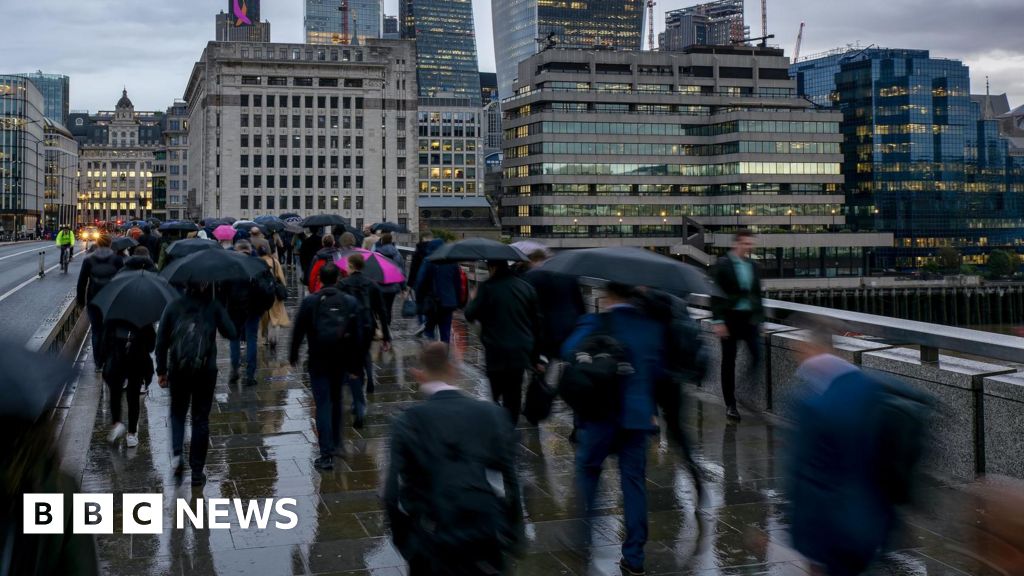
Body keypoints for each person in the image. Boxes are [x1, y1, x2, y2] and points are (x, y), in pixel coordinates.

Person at [384, 342, 523, 576]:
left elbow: (391, 492)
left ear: (419, 374)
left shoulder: (408, 421)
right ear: (453, 369)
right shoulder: (491, 414)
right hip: (484, 535)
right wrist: (511, 533)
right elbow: (509, 478)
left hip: (433, 539)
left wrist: (407, 544)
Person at [561, 282, 668, 576]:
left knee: (588, 471)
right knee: (633, 484)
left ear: (608, 295)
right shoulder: (649, 327)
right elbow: (659, 371)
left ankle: (582, 539)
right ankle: (634, 556)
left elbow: (568, 351)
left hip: (599, 416)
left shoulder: (595, 322)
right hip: (636, 417)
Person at [786, 321, 895, 576]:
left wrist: (804, 541)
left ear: (811, 350)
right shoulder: (870, 387)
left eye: (800, 351)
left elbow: (803, 475)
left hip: (832, 528)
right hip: (871, 520)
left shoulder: (811, 403)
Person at [155, 282, 236, 486]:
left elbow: (161, 341)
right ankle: (197, 471)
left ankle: (177, 454)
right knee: (200, 419)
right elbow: (231, 332)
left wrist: (161, 370)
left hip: (178, 370)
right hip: (206, 371)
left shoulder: (173, 306)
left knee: (177, 413)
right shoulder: (213, 306)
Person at [290, 263, 363, 470]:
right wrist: (356, 366)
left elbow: (298, 330)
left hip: (318, 359)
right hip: (341, 359)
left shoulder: (310, 301)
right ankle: (338, 443)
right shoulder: (349, 301)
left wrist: (293, 354)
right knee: (337, 400)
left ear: (319, 279)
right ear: (338, 278)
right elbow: (358, 336)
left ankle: (326, 454)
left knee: (322, 404)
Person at [464, 260, 541, 424]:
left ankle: (499, 420)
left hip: (496, 349)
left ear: (492, 268)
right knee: (514, 391)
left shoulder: (487, 288)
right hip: (520, 349)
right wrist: (536, 358)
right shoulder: (526, 287)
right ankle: (511, 425)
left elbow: (470, 314)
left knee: (496, 390)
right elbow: (537, 324)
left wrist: (474, 298)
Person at [711, 229, 763, 421]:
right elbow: (715, 294)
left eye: (751, 244)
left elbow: (757, 294)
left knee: (757, 356)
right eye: (746, 244)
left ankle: (743, 391)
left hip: (749, 319)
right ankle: (730, 405)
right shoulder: (723, 264)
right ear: (736, 243)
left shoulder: (753, 265)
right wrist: (718, 321)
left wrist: (761, 320)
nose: (749, 247)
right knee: (728, 362)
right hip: (729, 319)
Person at [340, 253, 392, 416]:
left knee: (351, 360)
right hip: (367, 325)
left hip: (349, 327)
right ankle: (369, 376)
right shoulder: (372, 284)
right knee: (365, 353)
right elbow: (382, 311)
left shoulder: (343, 284)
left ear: (351, 266)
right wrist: (386, 335)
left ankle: (357, 399)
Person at [522, 249, 585, 363]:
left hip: (546, 329)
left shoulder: (531, 276)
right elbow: (579, 302)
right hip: (570, 324)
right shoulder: (568, 274)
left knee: (548, 361)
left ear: (532, 261)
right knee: (568, 358)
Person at [102, 319, 155, 447]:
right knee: (133, 396)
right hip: (137, 360)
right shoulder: (142, 318)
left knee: (115, 392)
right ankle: (131, 433)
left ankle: (117, 422)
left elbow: (105, 341)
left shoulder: (114, 317)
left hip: (117, 360)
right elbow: (151, 345)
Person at [76, 234, 124, 371]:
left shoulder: (89, 259)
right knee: (110, 330)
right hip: (112, 300)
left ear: (97, 243)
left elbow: (82, 282)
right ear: (110, 244)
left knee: (96, 331)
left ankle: (98, 363)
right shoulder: (117, 259)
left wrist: (81, 302)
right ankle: (109, 358)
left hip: (94, 299)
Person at [223, 240, 267, 386]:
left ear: (236, 250)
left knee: (234, 339)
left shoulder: (231, 265)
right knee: (252, 339)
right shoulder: (257, 263)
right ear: (249, 249)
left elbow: (224, 288)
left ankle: (235, 369)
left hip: (234, 308)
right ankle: (250, 374)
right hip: (253, 308)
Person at [414, 238, 461, 344]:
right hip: (448, 303)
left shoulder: (428, 261)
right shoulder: (452, 262)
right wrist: (457, 302)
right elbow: (457, 284)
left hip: (432, 302)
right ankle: (444, 350)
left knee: (429, 330)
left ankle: (433, 349)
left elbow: (420, 282)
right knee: (445, 332)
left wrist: (419, 300)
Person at [258, 244, 290, 348]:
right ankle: (273, 338)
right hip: (274, 291)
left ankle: (264, 338)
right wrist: (283, 288)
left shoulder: (256, 262)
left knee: (263, 316)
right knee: (275, 317)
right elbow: (281, 278)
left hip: (261, 292)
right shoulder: (275, 261)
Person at [374, 232, 405, 328]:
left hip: (379, 284)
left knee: (380, 306)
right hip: (392, 285)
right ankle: (387, 325)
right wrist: (403, 287)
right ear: (391, 241)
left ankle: (382, 325)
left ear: (382, 241)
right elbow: (401, 271)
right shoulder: (397, 254)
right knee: (389, 307)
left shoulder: (377, 253)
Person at [408, 231, 433, 333]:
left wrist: (409, 284)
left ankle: (421, 322)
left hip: (418, 281)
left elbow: (413, 269)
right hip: (430, 281)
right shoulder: (434, 251)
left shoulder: (417, 251)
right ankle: (427, 321)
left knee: (419, 302)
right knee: (429, 302)